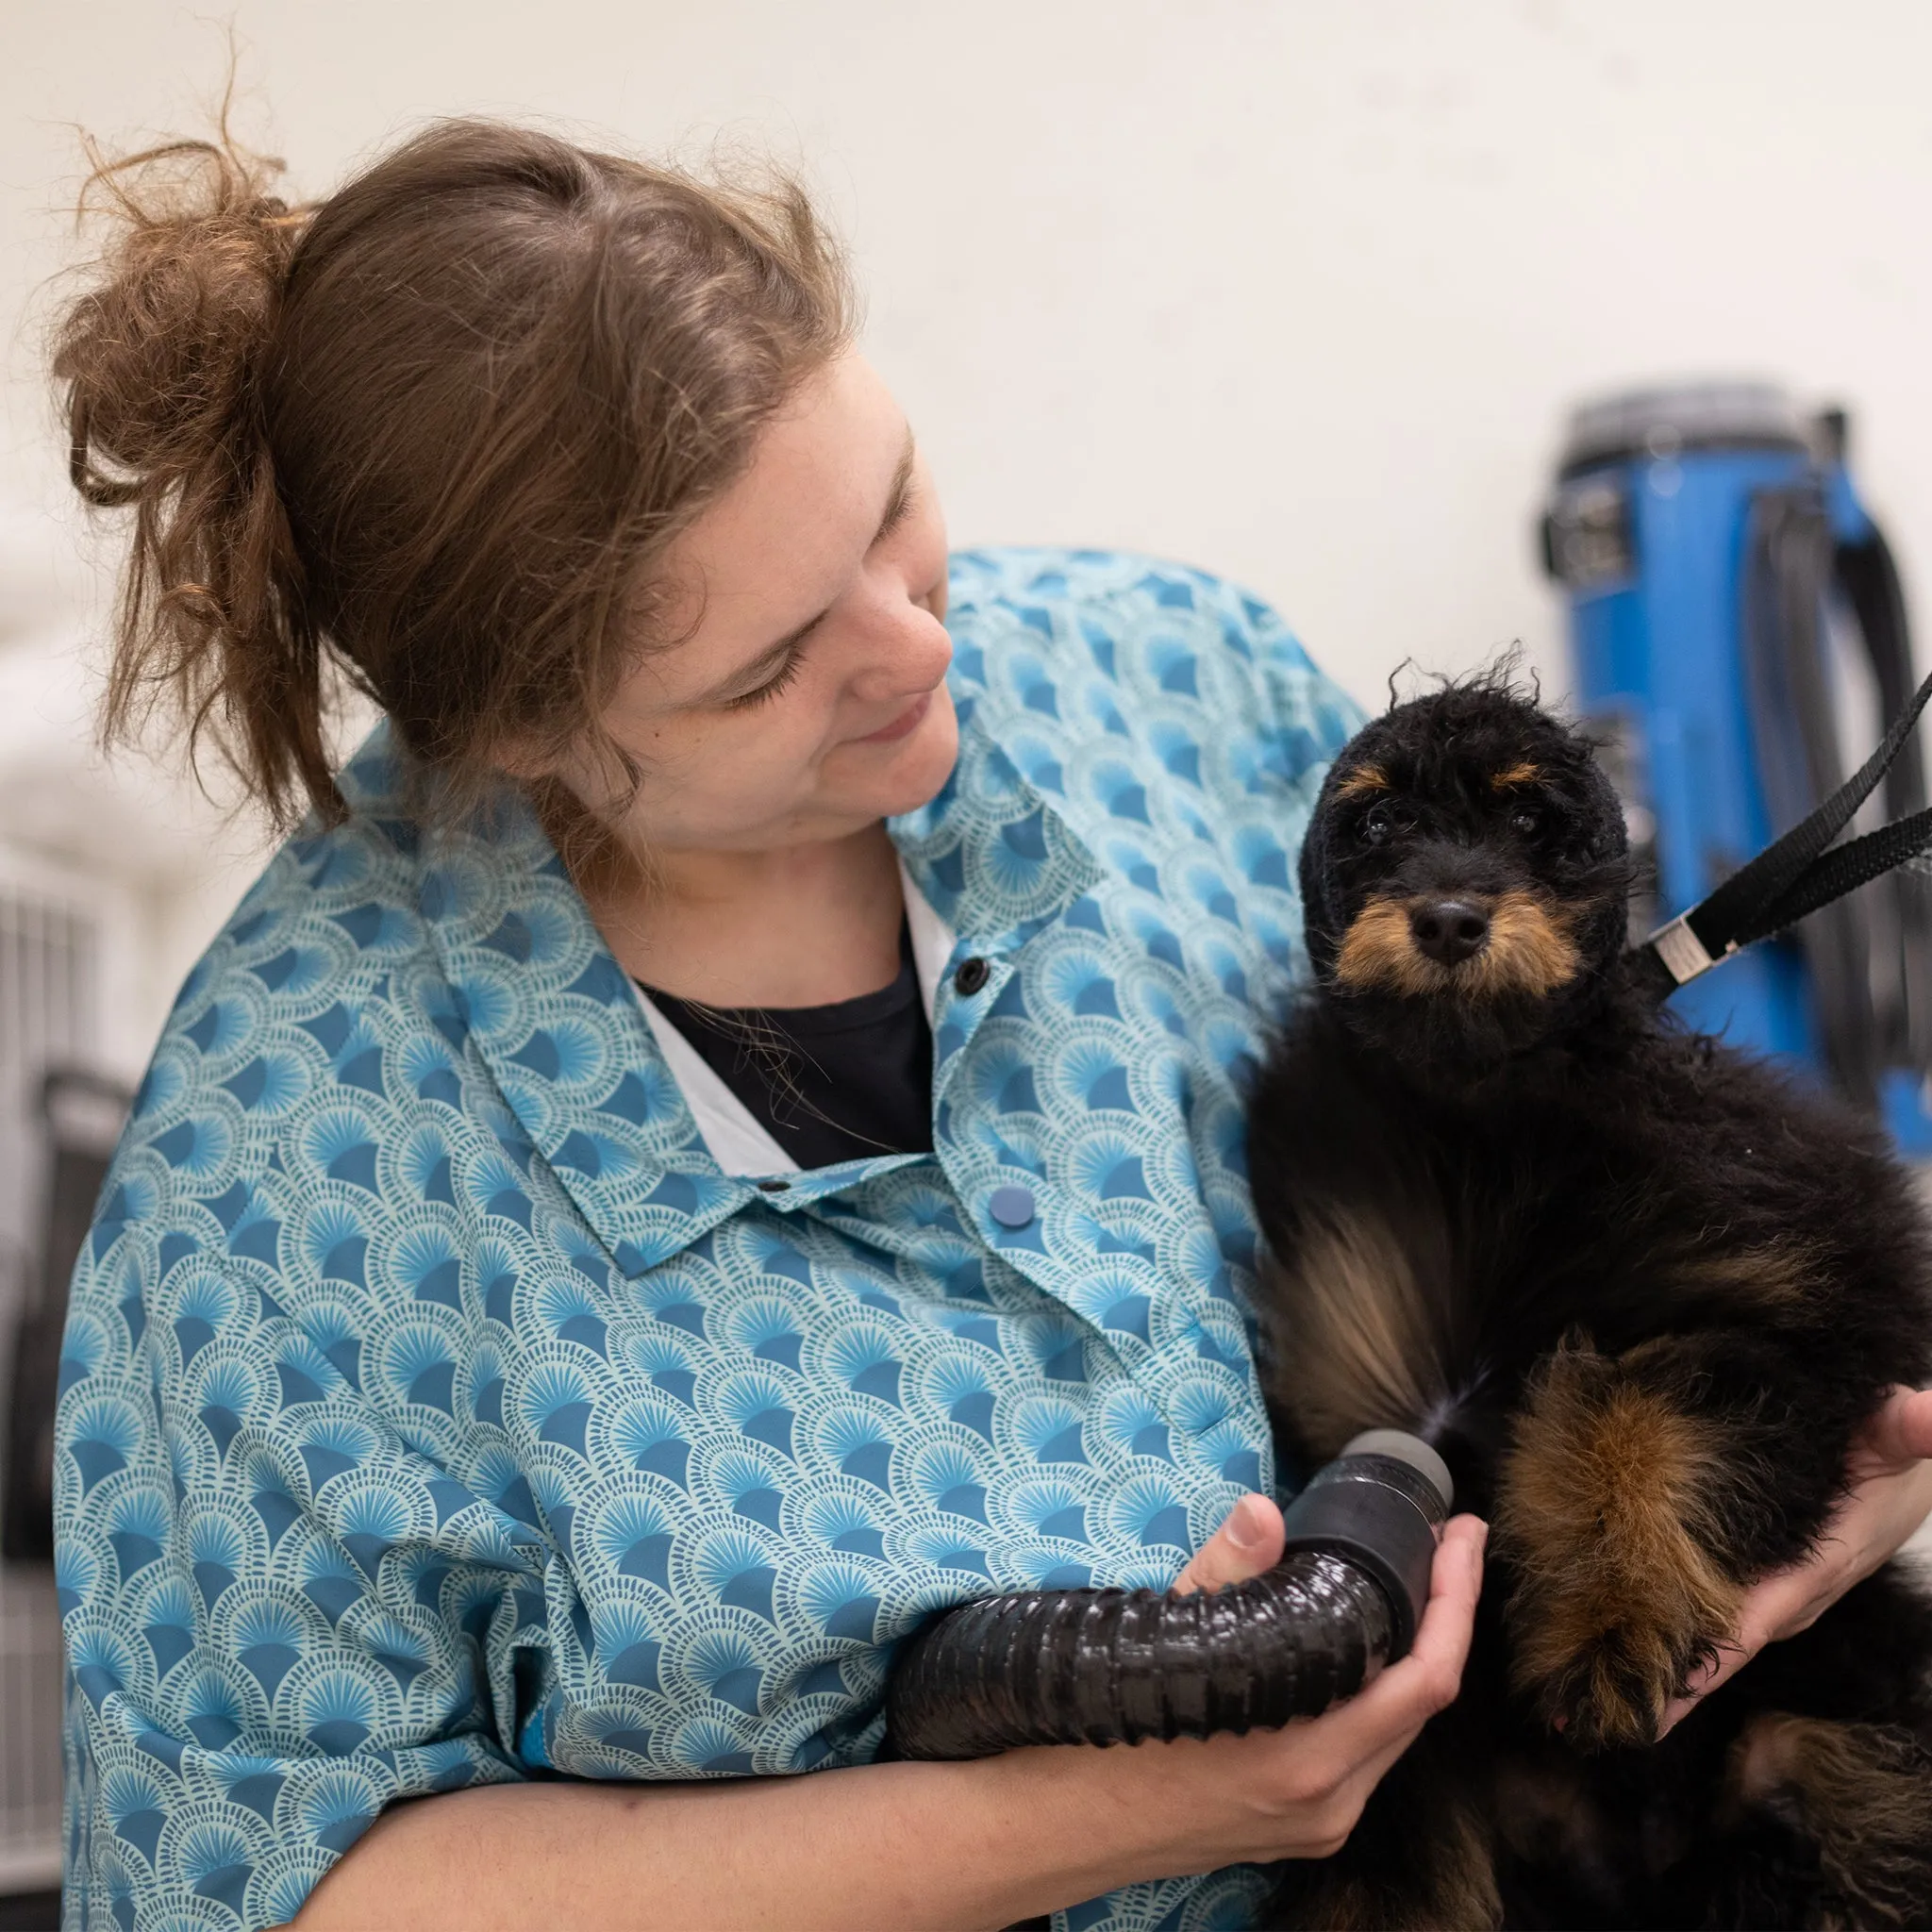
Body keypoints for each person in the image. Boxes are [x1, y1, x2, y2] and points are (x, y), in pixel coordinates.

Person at [44, 116, 1932, 1932]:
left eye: (891, 505)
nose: (918, 649)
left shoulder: (1170, 692)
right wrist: (1081, 1821)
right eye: (770, 665)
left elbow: (1600, 1197)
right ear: (516, 741)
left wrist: (1777, 1516)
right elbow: (264, 1888)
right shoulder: (286, 1165)